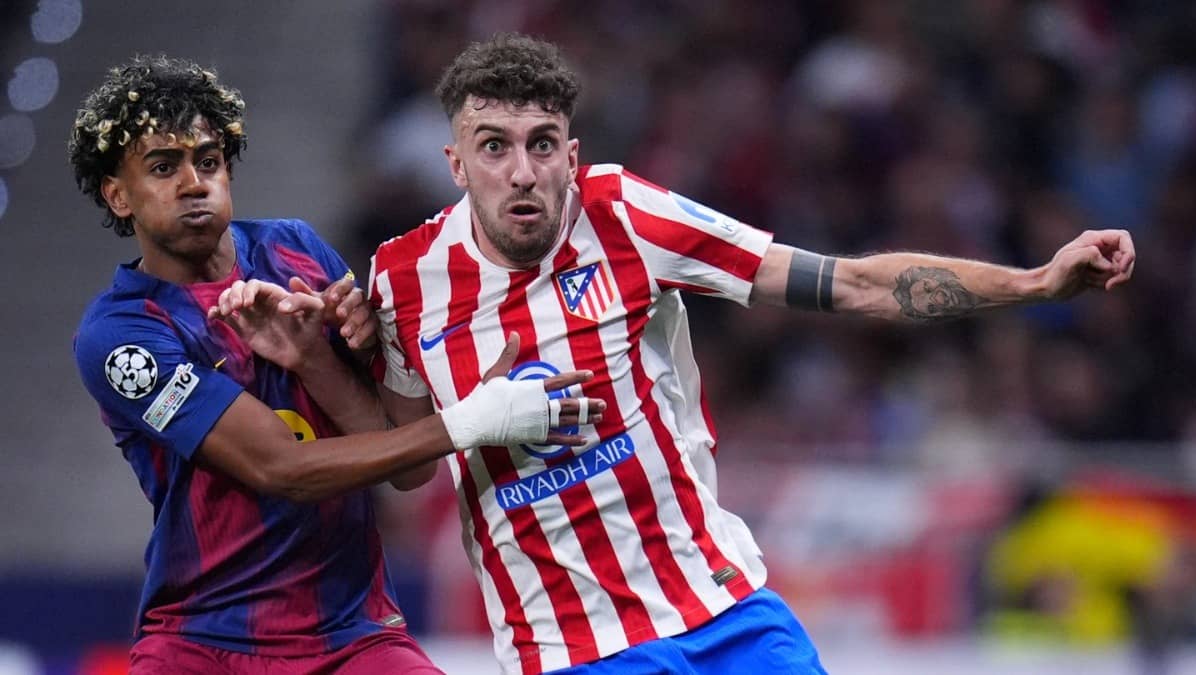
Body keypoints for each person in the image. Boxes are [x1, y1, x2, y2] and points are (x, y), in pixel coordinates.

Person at [357, 33, 1139, 675]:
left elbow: (851, 284)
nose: (521, 171)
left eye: (542, 144)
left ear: (571, 152)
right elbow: (407, 466)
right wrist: (444, 401)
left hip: (723, 610)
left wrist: (1034, 282)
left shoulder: (623, 214)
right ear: (456, 164)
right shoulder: (400, 280)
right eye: (494, 147)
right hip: (570, 647)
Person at [68, 55, 603, 674]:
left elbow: (403, 468)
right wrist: (476, 419)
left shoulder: (292, 248)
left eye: (208, 162)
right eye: (164, 168)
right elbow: (280, 467)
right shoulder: (120, 336)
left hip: (351, 634)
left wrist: (323, 354)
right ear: (118, 194)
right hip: (202, 643)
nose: (194, 183)